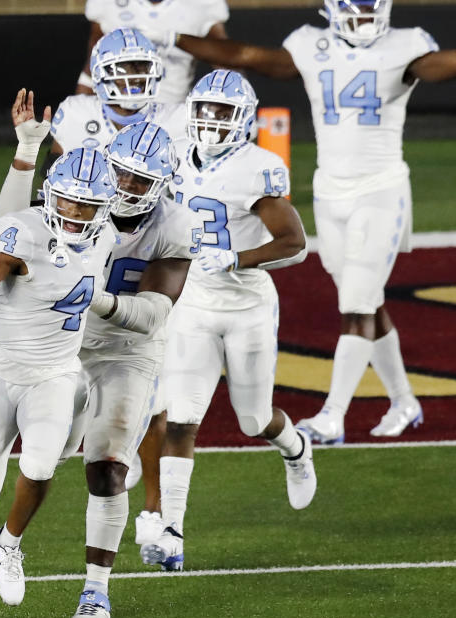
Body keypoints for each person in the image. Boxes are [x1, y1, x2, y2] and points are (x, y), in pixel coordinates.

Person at [167, 0, 456, 443]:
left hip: (380, 190)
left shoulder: (402, 48)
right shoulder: (312, 45)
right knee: (367, 301)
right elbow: (245, 56)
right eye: (358, 11)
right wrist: (171, 38)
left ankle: (333, 416)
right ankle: (405, 400)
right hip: (330, 192)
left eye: (373, 10)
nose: (367, 19)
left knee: (356, 306)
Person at [0, 90, 198, 618]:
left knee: (106, 469)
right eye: (123, 175)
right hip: (65, 341)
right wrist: (24, 153)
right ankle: (8, 538)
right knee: (46, 457)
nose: (128, 188)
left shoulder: (175, 224)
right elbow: (12, 226)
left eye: (141, 181)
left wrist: (95, 298)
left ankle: (96, 590)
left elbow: (154, 313)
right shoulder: (85, 198)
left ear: (163, 186)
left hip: (127, 350)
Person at [0, 147, 117, 618]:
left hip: (56, 373)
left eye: (87, 205)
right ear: (50, 193)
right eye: (68, 201)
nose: (76, 213)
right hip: (1, 372)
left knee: (40, 467)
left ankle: (10, 542)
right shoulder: (26, 234)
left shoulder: (109, 238)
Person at [141, 69, 315, 572]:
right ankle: (171, 531)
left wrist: (238, 258)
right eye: (205, 110)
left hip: (248, 307)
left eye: (223, 113)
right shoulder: (173, 154)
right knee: (181, 418)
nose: (211, 121)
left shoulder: (257, 168)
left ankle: (296, 448)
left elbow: (294, 242)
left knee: (253, 419)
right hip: (194, 301)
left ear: (242, 120)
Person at [48, 28, 189, 543]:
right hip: (95, 247)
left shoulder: (174, 118)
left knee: (155, 392)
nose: (132, 82)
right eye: (122, 71)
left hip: (154, 252)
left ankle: (156, 511)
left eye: (140, 71)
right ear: (101, 76)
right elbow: (58, 182)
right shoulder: (73, 112)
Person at [49, 27, 187, 175]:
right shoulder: (75, 111)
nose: (136, 77)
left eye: (142, 66)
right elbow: (52, 175)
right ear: (100, 74)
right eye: (123, 68)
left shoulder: (178, 118)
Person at [77, 0, 230, 103]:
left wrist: (175, 39)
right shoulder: (106, 4)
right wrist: (81, 111)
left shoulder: (205, 4)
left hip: (173, 107)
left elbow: (226, 61)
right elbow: (92, 66)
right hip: (118, 106)